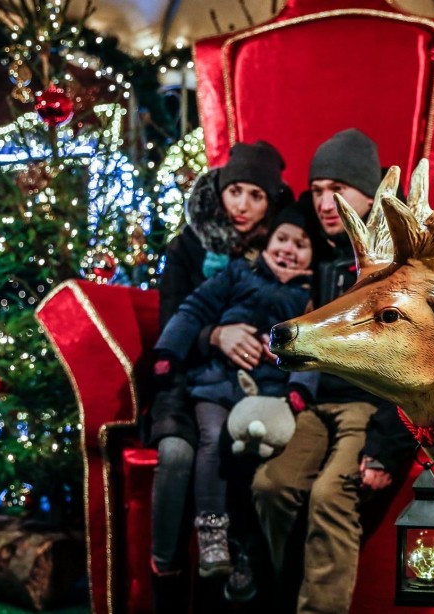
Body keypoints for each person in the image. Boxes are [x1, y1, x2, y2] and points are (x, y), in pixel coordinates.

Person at [252, 128, 418, 613]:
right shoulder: (311, 243)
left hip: (368, 410)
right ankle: (277, 598)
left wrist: (388, 447)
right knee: (270, 485)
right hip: (312, 401)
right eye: (318, 190)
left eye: (338, 190)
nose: (326, 202)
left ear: (369, 192)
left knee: (329, 494)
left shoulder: (399, 262)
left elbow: (416, 360)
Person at [148, 140, 290, 611]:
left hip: (249, 382)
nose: (242, 206)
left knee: (247, 448)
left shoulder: (280, 251)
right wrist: (215, 335)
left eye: (256, 196)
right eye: (235, 193)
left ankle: (242, 564)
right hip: (187, 379)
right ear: (219, 191)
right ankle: (164, 577)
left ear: (271, 202)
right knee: (176, 453)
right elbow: (174, 317)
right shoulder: (189, 246)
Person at [153, 206, 317, 587]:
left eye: (301, 245)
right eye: (282, 240)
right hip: (215, 384)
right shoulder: (238, 273)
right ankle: (211, 528)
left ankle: (244, 549)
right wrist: (168, 353)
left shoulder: (307, 300)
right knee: (213, 439)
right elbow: (193, 309)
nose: (289, 250)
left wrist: (297, 390)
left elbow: (312, 353)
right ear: (266, 243)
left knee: (253, 457)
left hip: (265, 396)